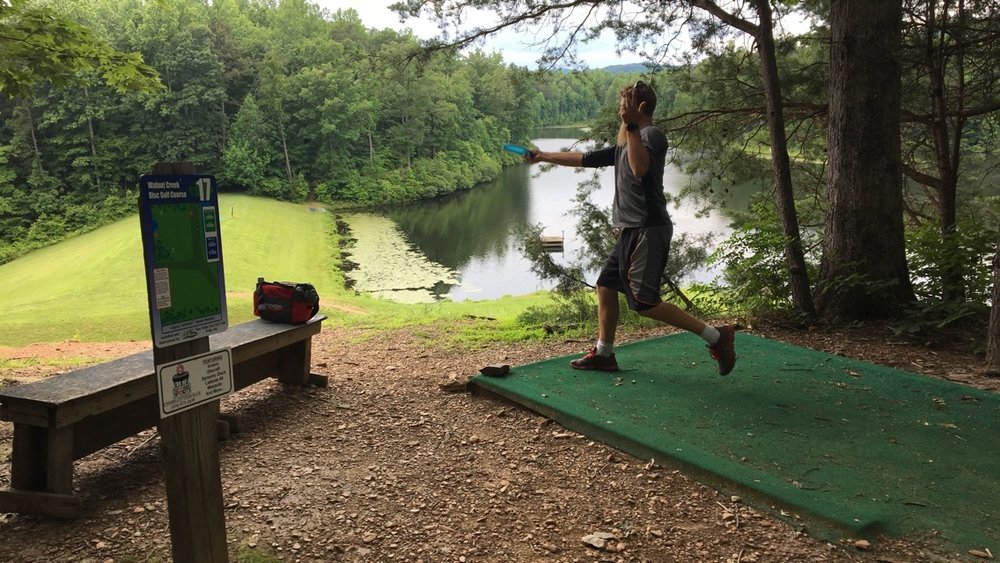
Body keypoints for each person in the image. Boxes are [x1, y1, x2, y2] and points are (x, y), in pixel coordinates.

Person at [525, 80, 737, 375]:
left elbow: (640, 168)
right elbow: (584, 159)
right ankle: (604, 354)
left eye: (624, 106)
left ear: (640, 109)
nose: (619, 111)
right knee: (606, 286)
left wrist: (633, 127)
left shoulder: (651, 134)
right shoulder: (624, 145)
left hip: (648, 229)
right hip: (631, 231)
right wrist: (543, 156)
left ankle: (718, 336)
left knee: (644, 303)